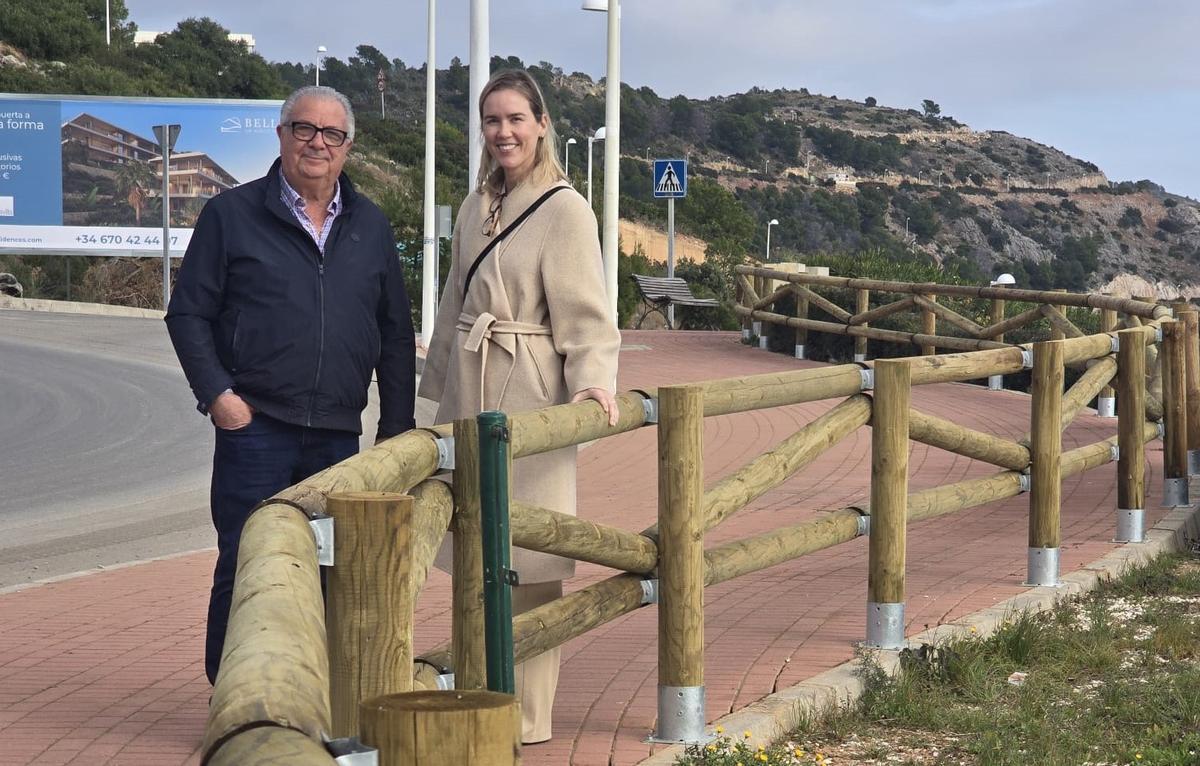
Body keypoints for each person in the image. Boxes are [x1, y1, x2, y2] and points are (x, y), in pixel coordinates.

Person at [166, 85, 416, 686]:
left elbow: (395, 334)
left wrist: (396, 432)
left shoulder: (371, 225)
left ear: (348, 146)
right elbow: (188, 314)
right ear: (282, 135)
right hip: (256, 430)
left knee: (332, 570)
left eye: (332, 134)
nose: (317, 143)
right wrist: (220, 398)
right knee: (247, 563)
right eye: (304, 129)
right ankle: (234, 699)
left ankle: (312, 696)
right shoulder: (231, 215)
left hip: (337, 437)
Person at [419, 69, 621, 744]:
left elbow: (587, 313)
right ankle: (479, 695)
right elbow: (453, 303)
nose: (503, 132)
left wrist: (593, 381)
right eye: (492, 120)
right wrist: (434, 393)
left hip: (530, 394)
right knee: (473, 550)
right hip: (470, 385)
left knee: (528, 556)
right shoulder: (477, 203)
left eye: (515, 119)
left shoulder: (565, 208)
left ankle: (527, 717)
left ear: (540, 124)